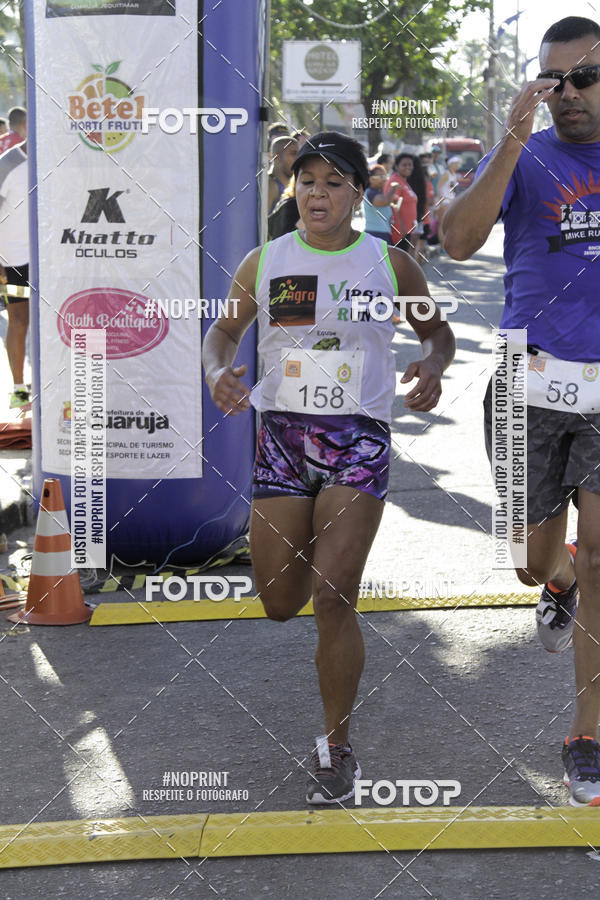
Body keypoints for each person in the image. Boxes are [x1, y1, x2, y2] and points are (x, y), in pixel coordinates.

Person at [203, 131, 455, 805]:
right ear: (295, 190)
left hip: (358, 442)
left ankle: (336, 746)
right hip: (282, 442)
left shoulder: (390, 264)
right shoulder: (267, 260)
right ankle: (308, 544)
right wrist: (214, 372)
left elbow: (436, 332)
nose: (316, 193)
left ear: (357, 194)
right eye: (306, 181)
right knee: (281, 602)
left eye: (332, 182)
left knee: (334, 593)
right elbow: (222, 333)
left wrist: (431, 367)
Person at [443, 15, 600, 806]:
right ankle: (557, 580)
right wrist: (508, 140)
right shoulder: (528, 155)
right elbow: (456, 240)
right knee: (531, 558)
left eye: (585, 77)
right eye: (554, 80)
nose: (567, 93)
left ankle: (587, 736)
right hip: (526, 378)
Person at [0, 136, 29, 408]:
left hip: (54, 260)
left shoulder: (58, 160)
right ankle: (19, 391)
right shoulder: (8, 163)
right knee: (19, 320)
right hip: (15, 263)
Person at [385, 152, 418, 255]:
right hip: (399, 232)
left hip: (408, 230)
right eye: (404, 165)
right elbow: (393, 205)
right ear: (396, 166)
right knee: (398, 264)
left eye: (410, 165)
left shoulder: (403, 181)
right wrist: (400, 229)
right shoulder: (395, 181)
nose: (408, 167)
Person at [362, 164, 396, 241]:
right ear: (371, 179)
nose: (384, 179)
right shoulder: (371, 192)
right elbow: (385, 201)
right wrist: (393, 188)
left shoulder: (378, 192)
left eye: (385, 176)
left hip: (382, 233)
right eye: (381, 177)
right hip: (376, 234)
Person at [267, 135, 298, 215]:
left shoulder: (293, 185)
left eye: (299, 153)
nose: (298, 158)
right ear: (276, 157)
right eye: (293, 153)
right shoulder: (270, 185)